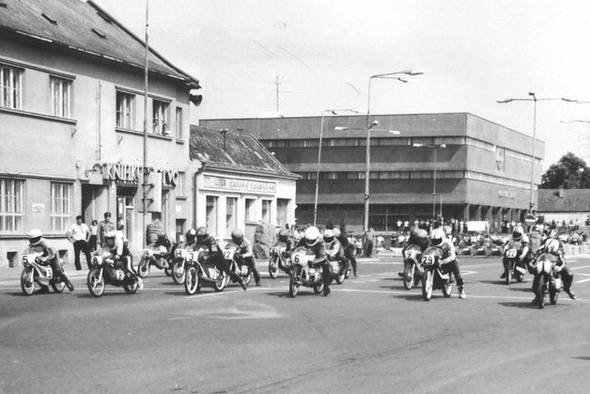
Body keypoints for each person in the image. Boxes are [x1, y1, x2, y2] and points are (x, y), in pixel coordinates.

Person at [531, 232, 575, 301]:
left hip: (555, 263)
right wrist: (533, 262)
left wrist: (560, 267)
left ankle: (567, 290)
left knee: (569, 274)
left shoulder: (559, 247)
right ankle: (537, 295)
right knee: (535, 273)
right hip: (545, 262)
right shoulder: (543, 245)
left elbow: (563, 261)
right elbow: (536, 255)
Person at [430, 228, 466, 299]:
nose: (435, 242)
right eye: (434, 240)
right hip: (437, 261)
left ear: (442, 237)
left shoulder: (448, 242)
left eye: (437, 240)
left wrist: (443, 261)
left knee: (457, 271)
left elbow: (453, 256)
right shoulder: (431, 244)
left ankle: (460, 289)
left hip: (449, 260)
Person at [297, 226, 331, 296]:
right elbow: (296, 248)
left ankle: (326, 287)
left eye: (311, 240)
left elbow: (322, 255)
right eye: (308, 240)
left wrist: (315, 260)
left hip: (317, 258)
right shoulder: (303, 240)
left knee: (326, 265)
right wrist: (290, 253)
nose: (309, 242)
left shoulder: (320, 242)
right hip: (305, 257)